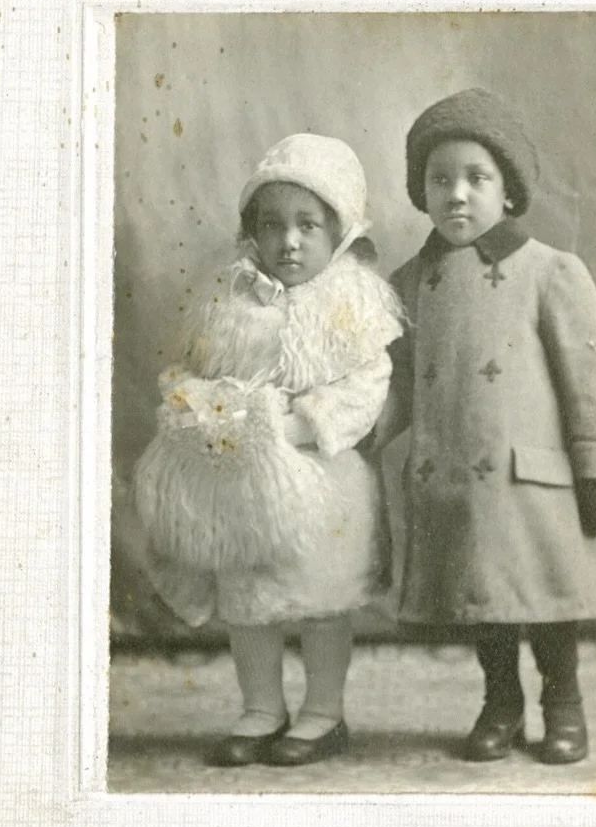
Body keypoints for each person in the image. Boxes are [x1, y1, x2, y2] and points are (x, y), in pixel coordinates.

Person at [133, 134, 404, 767]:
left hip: (324, 482)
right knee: (248, 600)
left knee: (321, 600)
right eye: (272, 225)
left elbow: (366, 390)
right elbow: (198, 370)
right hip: (245, 482)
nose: (289, 241)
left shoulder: (354, 305)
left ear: (339, 230)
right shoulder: (228, 305)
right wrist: (200, 406)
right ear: (250, 231)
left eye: (308, 225)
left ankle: (322, 713)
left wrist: (291, 423)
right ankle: (260, 708)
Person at [377, 89, 596, 764]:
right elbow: (396, 381)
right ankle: (501, 702)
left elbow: (590, 378)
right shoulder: (410, 282)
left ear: (508, 192)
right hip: (456, 481)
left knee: (546, 602)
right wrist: (363, 434)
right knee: (485, 606)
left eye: (476, 178)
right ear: (421, 193)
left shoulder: (548, 272)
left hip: (533, 482)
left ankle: (563, 704)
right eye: (439, 179)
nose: (457, 195)